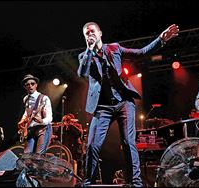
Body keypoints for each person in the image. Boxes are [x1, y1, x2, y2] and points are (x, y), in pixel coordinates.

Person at [77, 22, 179, 186]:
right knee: (92, 145)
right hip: (102, 107)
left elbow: (141, 52)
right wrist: (89, 51)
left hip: (124, 102)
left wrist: (161, 39)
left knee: (128, 142)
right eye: (86, 32)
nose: (90, 34)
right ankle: (88, 181)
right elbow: (82, 73)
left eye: (92, 31)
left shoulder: (114, 48)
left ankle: (136, 182)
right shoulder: (84, 56)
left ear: (100, 33)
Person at [17, 74, 53, 154]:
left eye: (32, 83)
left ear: (36, 85)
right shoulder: (26, 99)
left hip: (43, 128)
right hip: (31, 129)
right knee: (27, 155)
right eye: (27, 84)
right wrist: (22, 120)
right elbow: (27, 112)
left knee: (38, 155)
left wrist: (42, 120)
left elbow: (50, 117)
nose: (30, 86)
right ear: (25, 87)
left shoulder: (44, 98)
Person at [60, 113, 86, 178]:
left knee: (78, 164)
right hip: (67, 148)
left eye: (68, 120)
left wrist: (71, 125)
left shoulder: (78, 126)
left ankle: (78, 178)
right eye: (66, 120)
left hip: (76, 149)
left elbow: (79, 133)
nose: (67, 122)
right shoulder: (64, 128)